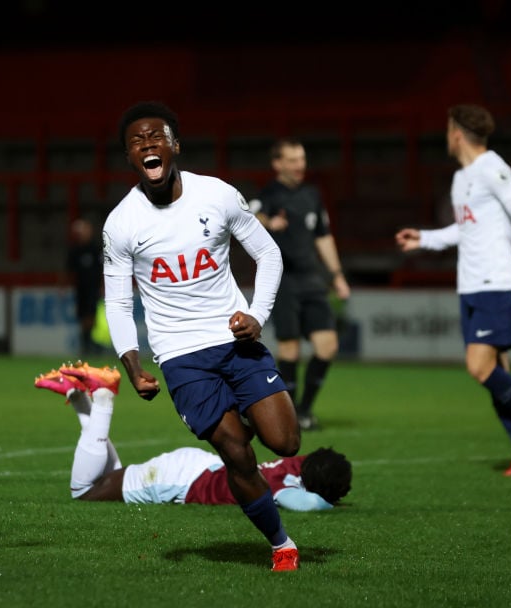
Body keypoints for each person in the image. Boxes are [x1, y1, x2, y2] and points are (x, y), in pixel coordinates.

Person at [102, 101, 302, 572]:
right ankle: (281, 545)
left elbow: (269, 256)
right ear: (129, 157)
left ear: (174, 145)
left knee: (286, 443)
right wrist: (133, 365)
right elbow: (116, 303)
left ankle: (240, 417)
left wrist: (257, 316)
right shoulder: (121, 223)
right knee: (235, 452)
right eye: (136, 140)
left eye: (156, 136)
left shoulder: (217, 195)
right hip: (180, 356)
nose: (147, 144)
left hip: (236, 340)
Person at [394, 103, 511, 477]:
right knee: (497, 370)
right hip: (470, 286)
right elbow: (464, 230)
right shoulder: (462, 177)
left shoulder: (492, 168)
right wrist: (425, 239)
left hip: (497, 283)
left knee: (478, 366)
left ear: (456, 133)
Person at [34, 361, 353, 510]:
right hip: (183, 481)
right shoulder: (284, 488)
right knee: (83, 492)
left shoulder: (292, 466)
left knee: (114, 477)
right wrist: (328, 502)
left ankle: (78, 398)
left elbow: (313, 467)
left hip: (198, 466)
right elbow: (306, 504)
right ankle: (102, 399)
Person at [250, 138, 351, 431]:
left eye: (302, 159)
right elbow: (252, 215)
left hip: (312, 279)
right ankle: (289, 414)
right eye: (292, 160)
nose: (299, 166)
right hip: (284, 281)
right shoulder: (270, 194)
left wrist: (337, 275)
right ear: (277, 164)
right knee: (290, 348)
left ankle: (304, 409)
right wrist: (268, 223)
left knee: (327, 346)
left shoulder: (312, 195)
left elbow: (324, 236)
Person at [66, 218, 103, 356]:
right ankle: (86, 343)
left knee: (92, 315)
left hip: (93, 288)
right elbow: (69, 270)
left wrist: (102, 286)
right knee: (82, 315)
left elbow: (102, 269)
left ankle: (90, 342)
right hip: (80, 289)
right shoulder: (75, 250)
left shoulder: (95, 249)